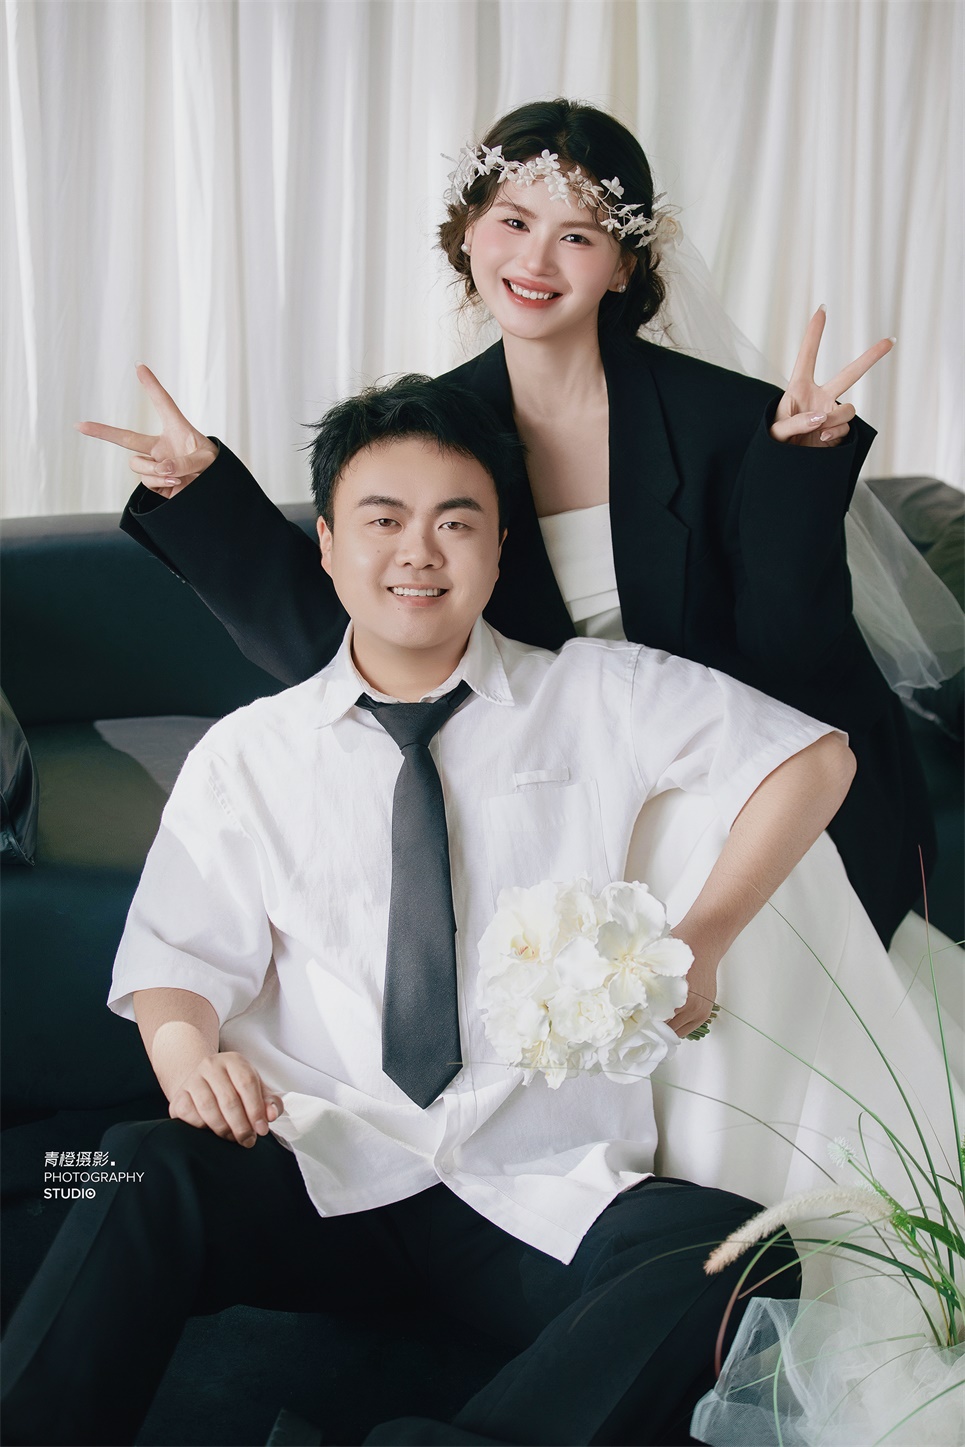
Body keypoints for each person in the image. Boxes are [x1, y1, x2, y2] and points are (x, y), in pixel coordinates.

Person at [3, 376, 862, 1447]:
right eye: (383, 520)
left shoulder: (597, 692)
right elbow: (176, 956)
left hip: (536, 1186)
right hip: (318, 1159)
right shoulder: (250, 751)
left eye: (455, 523)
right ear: (326, 545)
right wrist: (188, 1061)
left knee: (740, 1252)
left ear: (498, 550)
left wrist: (703, 936)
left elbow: (814, 759)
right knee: (131, 1163)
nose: (419, 551)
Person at [78, 98, 946, 948]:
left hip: (744, 779)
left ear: (622, 266)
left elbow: (792, 652)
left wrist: (796, 468)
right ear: (467, 233)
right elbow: (340, 635)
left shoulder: (734, 422)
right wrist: (200, 492)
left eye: (577, 236)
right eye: (513, 221)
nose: (536, 260)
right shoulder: (431, 428)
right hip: (562, 787)